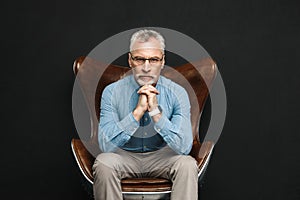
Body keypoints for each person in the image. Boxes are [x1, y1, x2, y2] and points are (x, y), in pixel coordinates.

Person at [92, 29, 199, 200]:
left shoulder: (177, 93)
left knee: (187, 165)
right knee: (104, 162)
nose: (146, 67)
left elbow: (184, 148)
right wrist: (137, 112)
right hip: (124, 156)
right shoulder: (111, 92)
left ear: (162, 61)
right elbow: (106, 146)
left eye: (154, 59)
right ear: (130, 60)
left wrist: (156, 113)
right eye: (139, 59)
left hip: (162, 157)